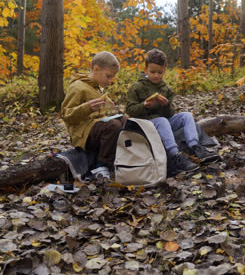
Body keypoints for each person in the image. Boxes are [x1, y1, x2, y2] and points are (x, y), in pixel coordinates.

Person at [126, 48, 221, 176]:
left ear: (164, 70)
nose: (156, 75)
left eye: (159, 72)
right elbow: (130, 110)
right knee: (162, 120)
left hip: (163, 123)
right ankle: (175, 155)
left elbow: (170, 114)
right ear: (145, 70)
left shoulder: (166, 89)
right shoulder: (136, 87)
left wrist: (166, 105)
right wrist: (145, 106)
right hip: (145, 124)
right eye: (152, 72)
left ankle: (195, 148)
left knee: (186, 116)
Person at [61, 51, 126, 180]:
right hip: (83, 134)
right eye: (108, 76)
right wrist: (88, 107)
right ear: (96, 69)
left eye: (111, 77)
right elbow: (67, 115)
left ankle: (124, 160)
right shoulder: (77, 87)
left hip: (95, 128)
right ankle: (101, 166)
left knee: (124, 120)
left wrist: (111, 110)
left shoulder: (96, 88)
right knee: (113, 126)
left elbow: (99, 115)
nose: (110, 81)